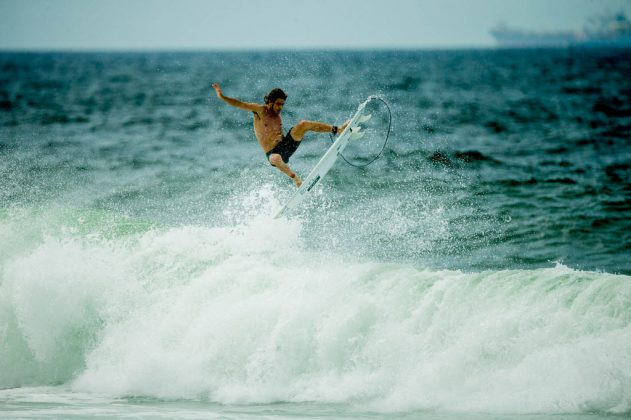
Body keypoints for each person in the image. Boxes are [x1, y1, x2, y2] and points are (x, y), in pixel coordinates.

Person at [212, 83, 348, 187]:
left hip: (286, 146)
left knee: (303, 124)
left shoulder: (278, 114)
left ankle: (338, 129)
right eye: (278, 104)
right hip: (272, 154)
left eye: (282, 104)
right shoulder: (259, 110)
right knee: (276, 158)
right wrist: (221, 96)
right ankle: (297, 180)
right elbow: (239, 103)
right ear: (269, 102)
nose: (280, 107)